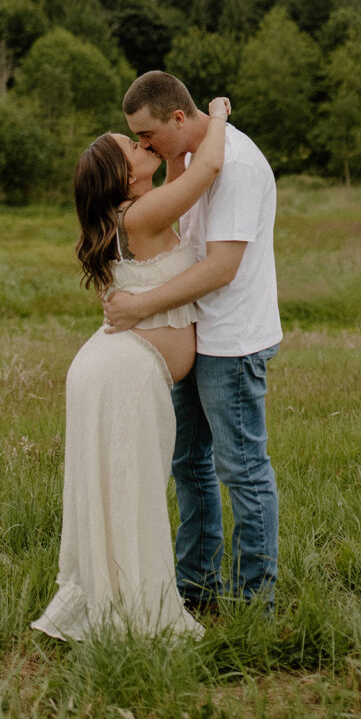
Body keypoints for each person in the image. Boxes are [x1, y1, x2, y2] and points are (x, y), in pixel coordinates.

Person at [31, 95, 231, 642]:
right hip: (124, 374)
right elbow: (207, 167)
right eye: (133, 147)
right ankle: (137, 616)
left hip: (112, 367)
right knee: (131, 489)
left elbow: (179, 169)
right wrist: (216, 114)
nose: (145, 145)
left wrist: (175, 143)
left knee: (120, 487)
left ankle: (115, 602)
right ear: (123, 177)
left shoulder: (133, 212)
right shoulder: (141, 215)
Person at [104, 71, 282, 612]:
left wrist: (141, 306)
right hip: (197, 337)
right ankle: (197, 589)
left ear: (178, 119)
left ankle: (254, 603)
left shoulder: (239, 166)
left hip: (232, 343)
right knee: (190, 466)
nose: (144, 147)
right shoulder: (189, 159)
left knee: (242, 472)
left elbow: (222, 267)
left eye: (148, 136)